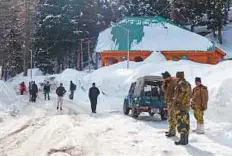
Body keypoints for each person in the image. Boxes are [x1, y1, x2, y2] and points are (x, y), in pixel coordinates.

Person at [173, 71, 191, 145]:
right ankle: (186, 140)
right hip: (186, 106)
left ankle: (182, 140)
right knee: (186, 123)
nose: (176, 78)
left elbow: (178, 95)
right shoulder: (188, 84)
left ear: (178, 77)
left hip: (180, 107)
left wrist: (176, 102)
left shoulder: (180, 84)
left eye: (176, 77)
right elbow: (190, 94)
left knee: (181, 122)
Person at [161, 71, 178, 137]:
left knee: (172, 117)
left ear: (168, 77)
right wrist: (164, 83)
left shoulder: (174, 81)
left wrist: (175, 99)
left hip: (172, 102)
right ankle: (171, 130)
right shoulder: (167, 82)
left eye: (164, 78)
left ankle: (172, 131)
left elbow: (177, 91)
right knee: (170, 117)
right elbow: (164, 90)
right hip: (169, 102)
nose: (164, 79)